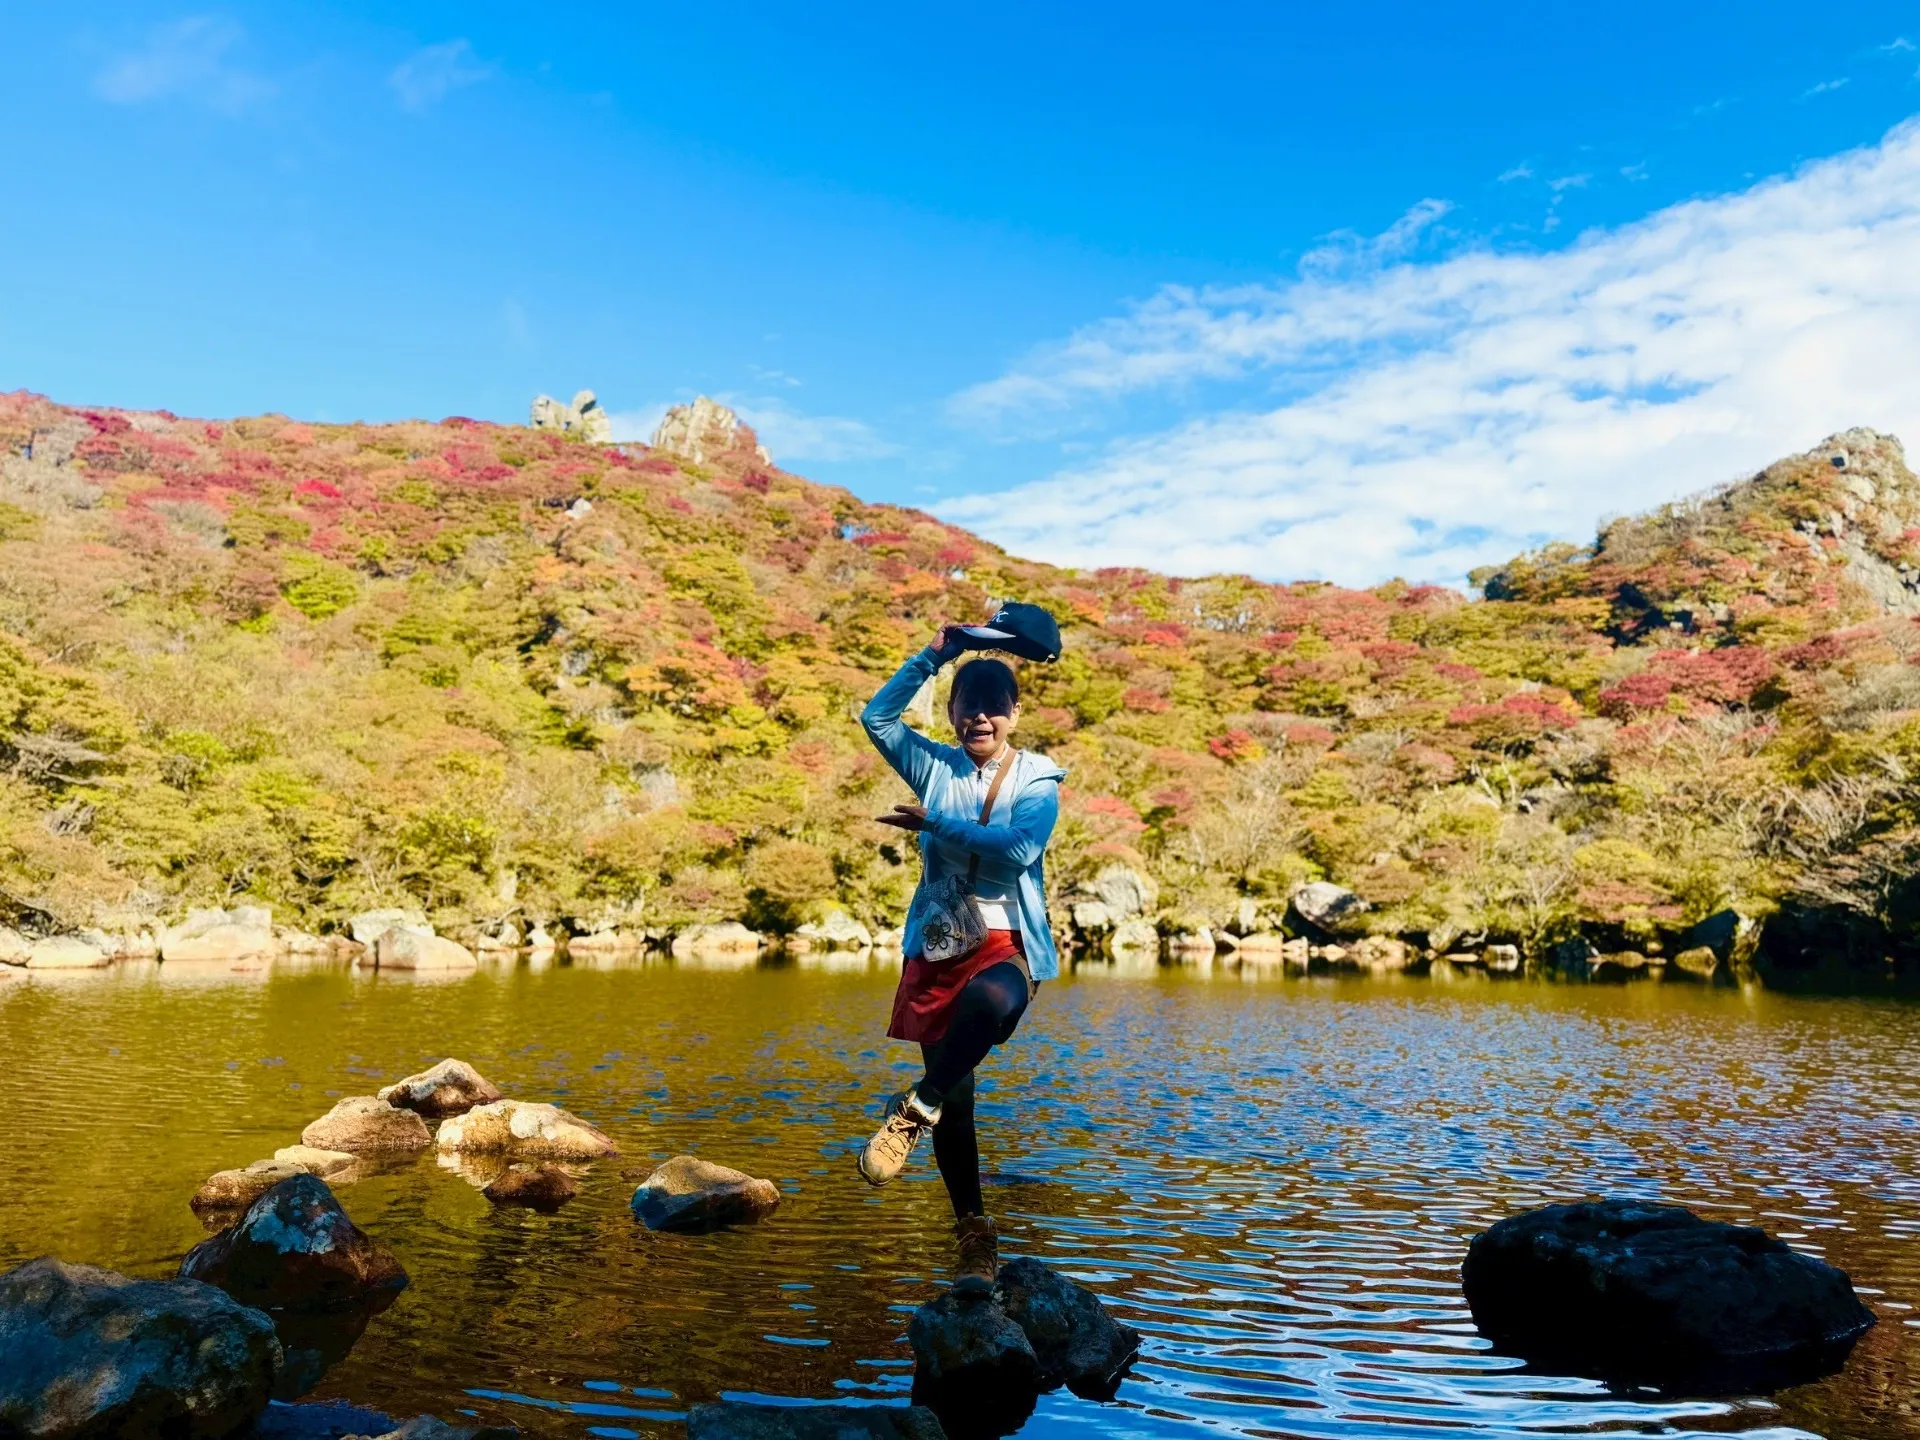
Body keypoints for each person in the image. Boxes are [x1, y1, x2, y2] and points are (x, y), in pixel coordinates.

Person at [857, 622, 1066, 1293]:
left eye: (994, 705)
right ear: (951, 713)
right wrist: (936, 655)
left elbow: (1018, 849)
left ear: (1015, 713)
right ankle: (973, 1234)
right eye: (968, 703)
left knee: (993, 1003)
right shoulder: (935, 767)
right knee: (961, 1099)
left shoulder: (1037, 778)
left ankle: (914, 1107)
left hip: (1009, 941)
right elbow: (876, 718)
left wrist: (935, 824)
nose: (981, 715)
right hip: (940, 944)